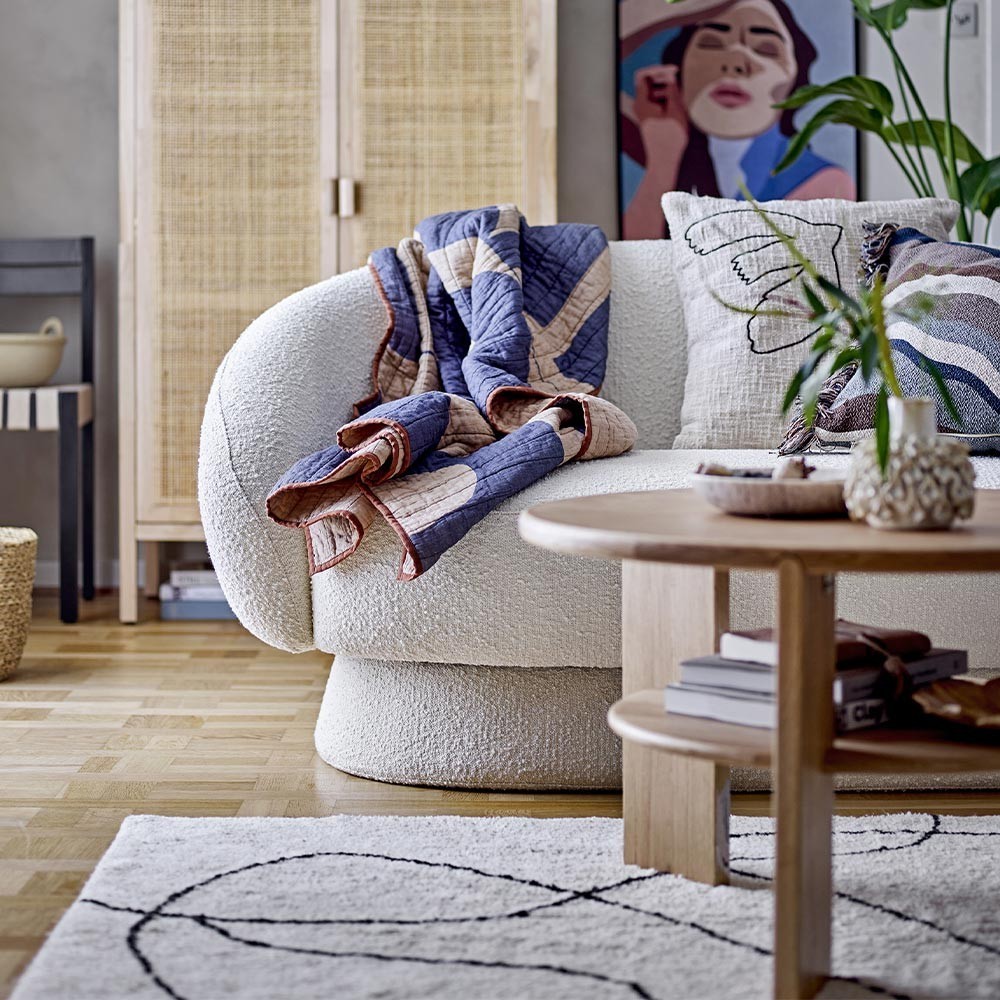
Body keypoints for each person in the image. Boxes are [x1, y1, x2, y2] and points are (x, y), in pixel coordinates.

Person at [622, 0, 855, 239]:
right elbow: (641, 254)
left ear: (796, 80)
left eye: (766, 49)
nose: (735, 62)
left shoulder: (821, 182)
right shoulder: (669, 159)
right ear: (678, 69)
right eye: (711, 43)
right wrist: (663, 158)